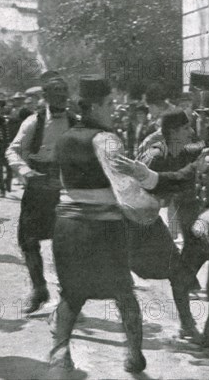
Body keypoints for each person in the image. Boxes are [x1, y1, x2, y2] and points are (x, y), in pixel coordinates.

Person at [115, 91, 209, 379]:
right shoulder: (208, 154)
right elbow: (179, 176)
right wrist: (145, 173)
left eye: (199, 118)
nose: (196, 123)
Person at [50, 76, 146, 374]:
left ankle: (58, 354)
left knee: (72, 294)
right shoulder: (107, 140)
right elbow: (126, 190)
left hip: (66, 226)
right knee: (124, 293)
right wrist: (150, 205)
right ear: (93, 106)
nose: (112, 110)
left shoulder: (64, 138)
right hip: (103, 228)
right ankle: (133, 355)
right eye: (108, 104)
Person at [129, 109, 202, 341]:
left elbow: (203, 149)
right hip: (130, 223)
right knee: (103, 278)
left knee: (178, 273)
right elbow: (129, 192)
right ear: (172, 132)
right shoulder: (155, 157)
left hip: (149, 221)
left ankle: (187, 326)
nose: (192, 131)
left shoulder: (181, 152)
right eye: (186, 128)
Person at [6, 72, 75, 314]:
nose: (61, 99)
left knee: (65, 244)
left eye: (64, 94)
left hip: (65, 190)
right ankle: (39, 290)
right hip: (37, 188)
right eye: (55, 94)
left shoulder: (75, 122)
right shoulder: (33, 123)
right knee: (28, 240)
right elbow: (12, 151)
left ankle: (69, 298)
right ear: (45, 97)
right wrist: (25, 170)